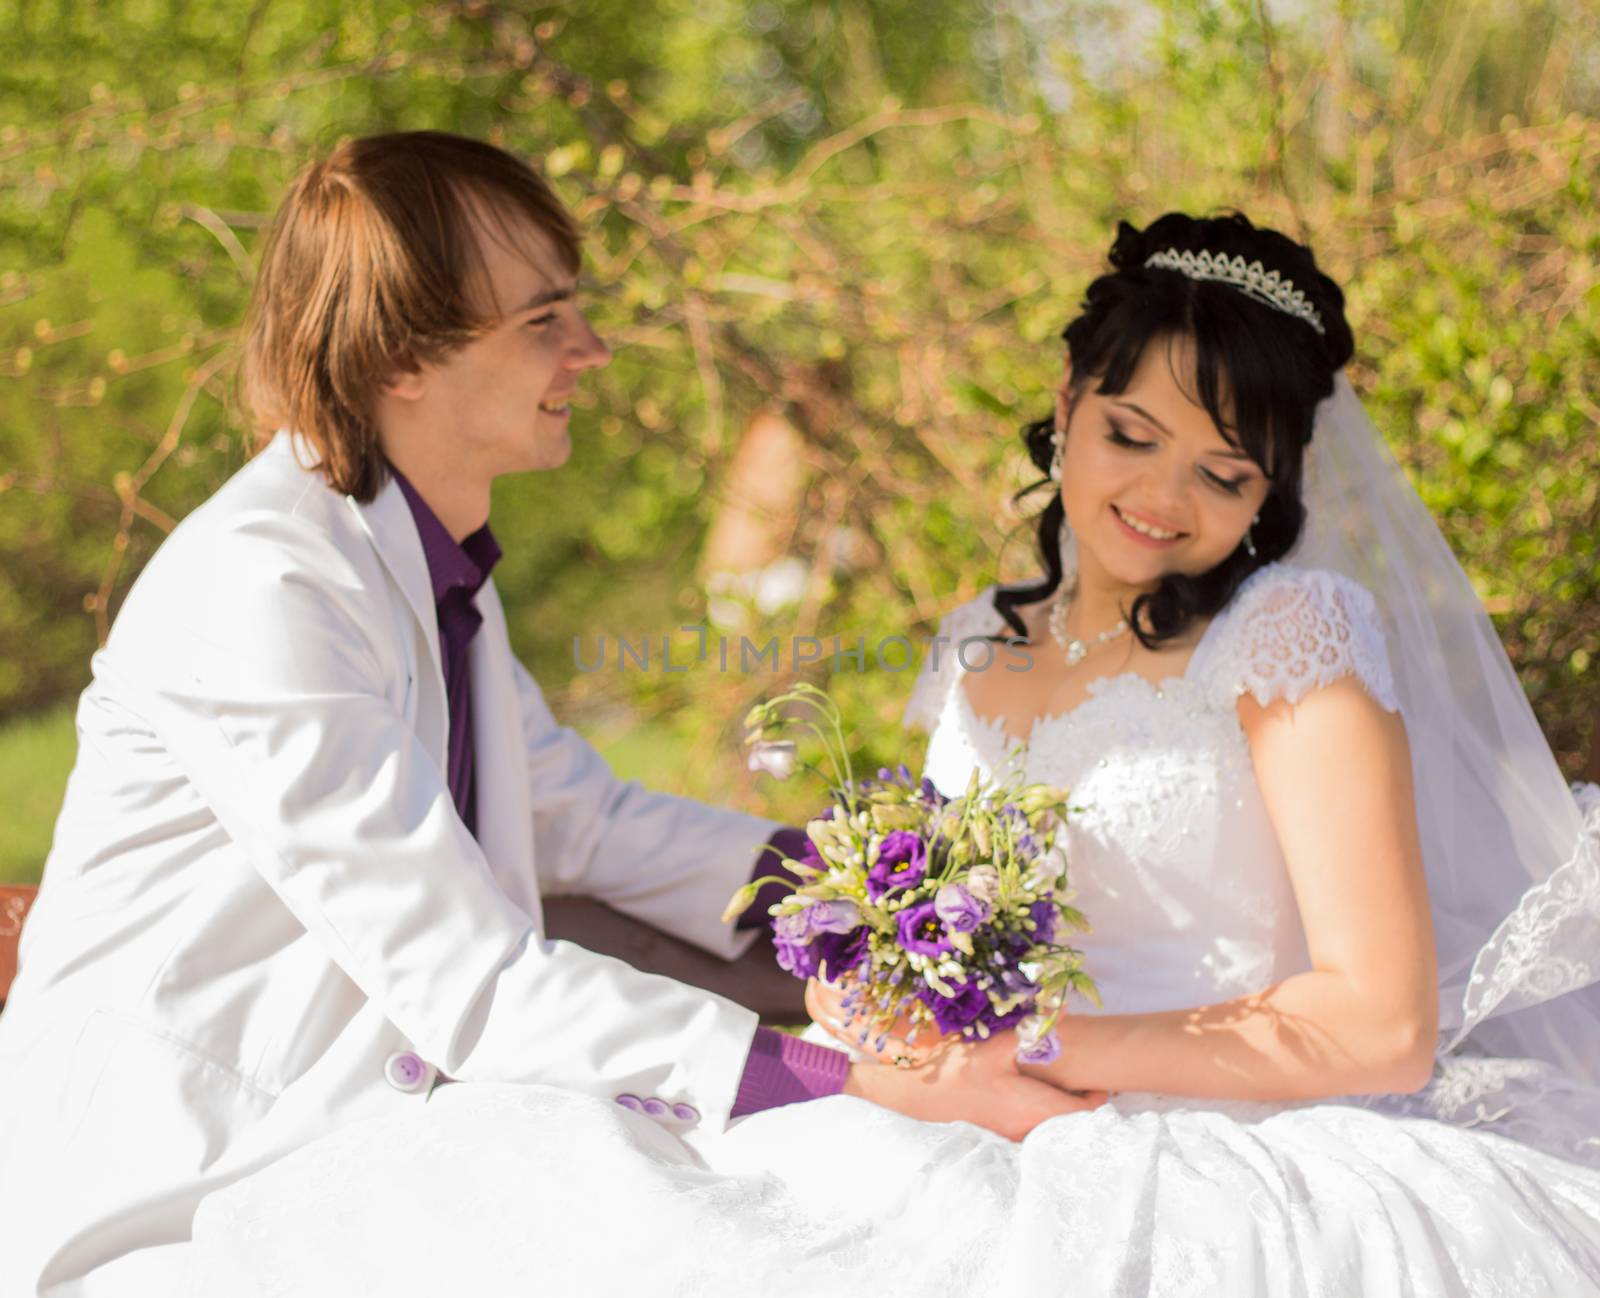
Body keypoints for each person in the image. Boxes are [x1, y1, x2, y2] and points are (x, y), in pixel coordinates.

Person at [178, 211, 1600, 1296]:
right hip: (976, 1108)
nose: (1161, 498)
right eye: (1130, 434)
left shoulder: (1295, 634)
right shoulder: (974, 640)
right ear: (1064, 402)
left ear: (1275, 489)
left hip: (1214, 1132)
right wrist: (883, 1002)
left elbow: (1377, 1022)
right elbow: (909, 919)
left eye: (1224, 472)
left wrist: (1035, 1044)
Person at [0, 131, 1097, 1298]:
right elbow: (473, 983)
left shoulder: (424, 560)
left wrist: (891, 895)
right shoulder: (263, 585)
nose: (593, 349)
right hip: (198, 1180)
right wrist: (854, 1076)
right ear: (401, 357)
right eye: (542, 322)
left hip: (382, 1134)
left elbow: (584, 818)